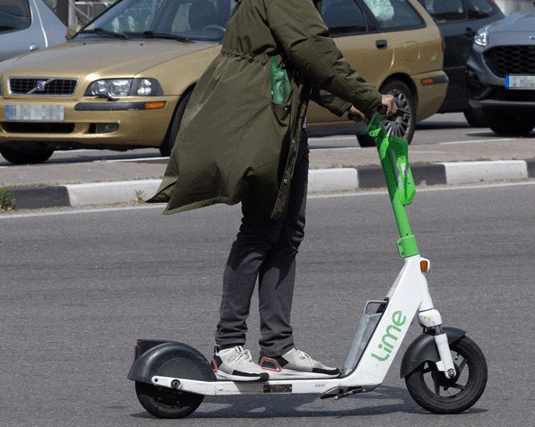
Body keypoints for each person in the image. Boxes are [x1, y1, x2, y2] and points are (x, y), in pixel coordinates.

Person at [148, 0, 396, 381]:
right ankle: (228, 346)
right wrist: (367, 96)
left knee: (287, 233)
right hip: (260, 120)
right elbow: (314, 51)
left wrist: (344, 104)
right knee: (260, 231)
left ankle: (277, 349)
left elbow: (295, 62)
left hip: (281, 120)